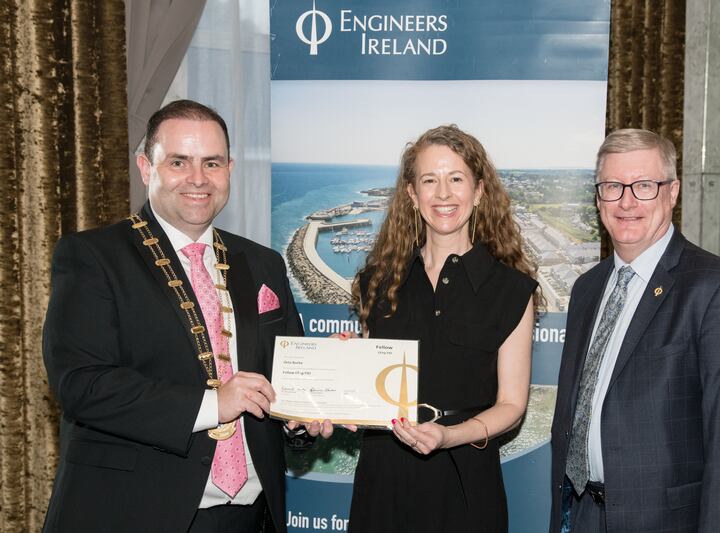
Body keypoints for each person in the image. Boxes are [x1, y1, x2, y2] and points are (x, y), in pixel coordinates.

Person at [42, 100, 322, 532]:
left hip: (250, 515)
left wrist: (304, 415)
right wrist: (215, 403)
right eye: (178, 161)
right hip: (132, 512)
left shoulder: (263, 263)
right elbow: (82, 384)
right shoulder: (93, 256)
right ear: (145, 167)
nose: (198, 179)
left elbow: (285, 378)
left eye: (211, 163)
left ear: (229, 169)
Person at [550, 129, 720, 532]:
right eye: (613, 186)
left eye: (645, 186)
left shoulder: (716, 288)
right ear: (598, 199)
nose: (627, 201)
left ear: (672, 193)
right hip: (580, 514)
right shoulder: (586, 289)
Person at [347, 125, 538, 533]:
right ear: (413, 195)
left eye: (456, 179)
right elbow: (367, 393)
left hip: (466, 477)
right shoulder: (377, 282)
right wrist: (342, 372)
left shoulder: (513, 290)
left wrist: (450, 436)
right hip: (384, 478)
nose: (444, 194)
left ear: (480, 190)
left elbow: (511, 405)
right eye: (429, 181)